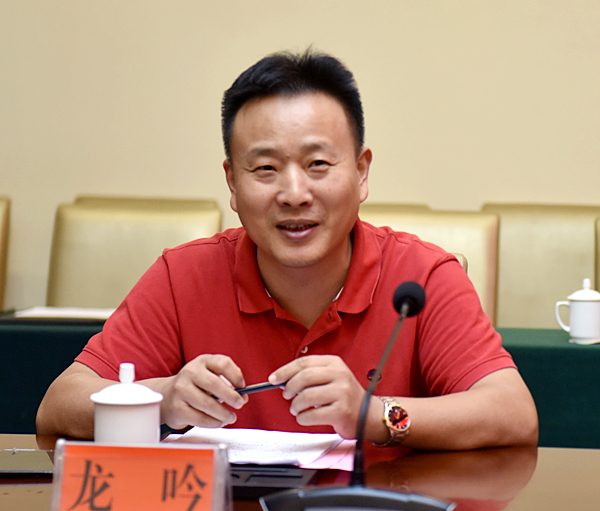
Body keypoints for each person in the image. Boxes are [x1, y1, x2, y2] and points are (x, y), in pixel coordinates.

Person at [36, 50, 538, 449]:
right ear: (232, 183)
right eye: (266, 169)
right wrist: (162, 398)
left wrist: (372, 414)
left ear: (361, 172)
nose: (295, 193)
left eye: (318, 164)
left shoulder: (421, 275)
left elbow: (512, 412)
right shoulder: (184, 275)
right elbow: (58, 407)